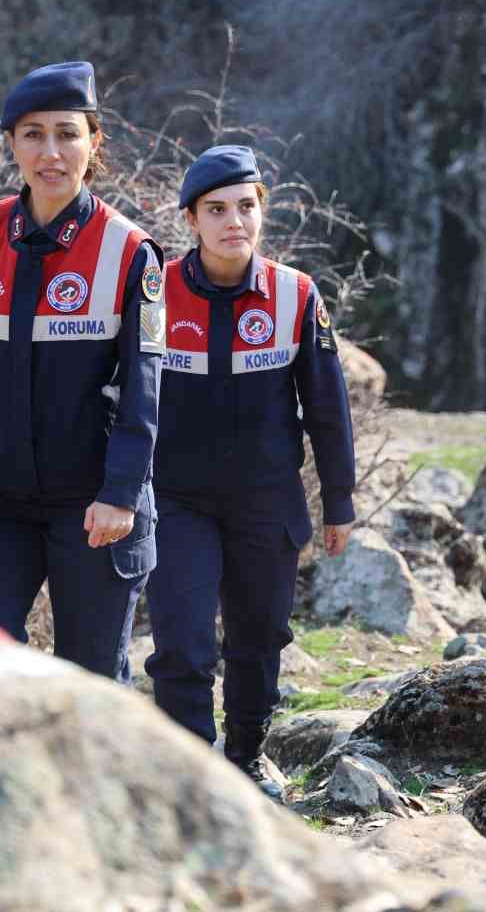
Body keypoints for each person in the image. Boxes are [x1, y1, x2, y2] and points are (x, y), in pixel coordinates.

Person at [0, 61, 165, 683]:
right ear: (11, 144)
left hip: (94, 506)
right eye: (33, 134)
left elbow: (146, 388)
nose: (51, 152)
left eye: (68, 134)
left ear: (94, 142)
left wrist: (121, 493)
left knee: (90, 683)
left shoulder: (130, 251)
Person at [145, 145, 357, 800]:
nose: (233, 221)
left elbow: (328, 408)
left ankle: (245, 755)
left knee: (260, 636)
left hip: (266, 502)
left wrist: (340, 501)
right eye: (216, 210)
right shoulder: (154, 291)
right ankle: (192, 776)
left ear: (262, 211)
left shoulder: (296, 295)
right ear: (191, 219)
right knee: (183, 645)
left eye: (245, 207)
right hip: (176, 500)